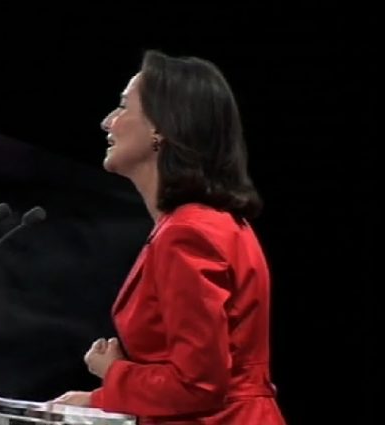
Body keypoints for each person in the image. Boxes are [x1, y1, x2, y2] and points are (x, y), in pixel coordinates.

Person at [51, 50, 287, 424]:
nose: (107, 121)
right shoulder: (212, 223)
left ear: (161, 128)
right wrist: (100, 399)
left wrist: (113, 373)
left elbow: (198, 385)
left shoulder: (188, 234)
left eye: (123, 107)